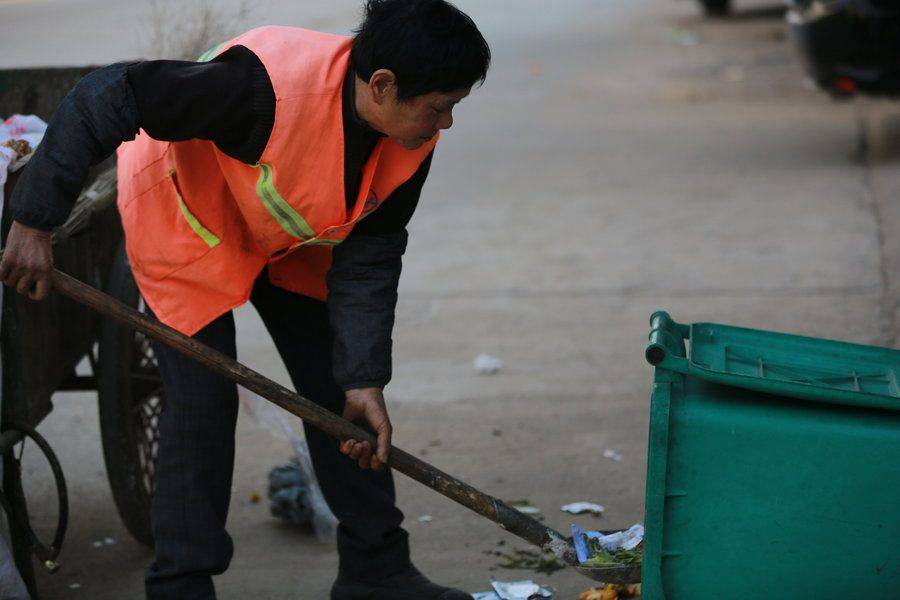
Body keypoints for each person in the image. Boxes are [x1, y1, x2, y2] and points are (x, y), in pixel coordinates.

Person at [0, 1, 490, 598]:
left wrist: (364, 379)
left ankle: (376, 569)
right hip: (190, 225)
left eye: (452, 109)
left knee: (340, 397)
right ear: (382, 85)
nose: (444, 124)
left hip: (287, 236)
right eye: (439, 108)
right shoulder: (255, 88)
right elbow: (107, 92)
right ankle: (181, 584)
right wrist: (33, 220)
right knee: (202, 406)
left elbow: (372, 256)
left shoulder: (407, 138)